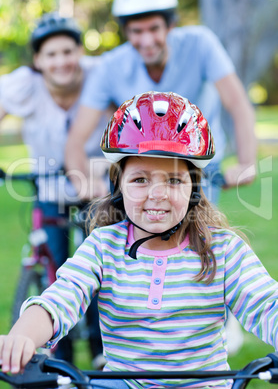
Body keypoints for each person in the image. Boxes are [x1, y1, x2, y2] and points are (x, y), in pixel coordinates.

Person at [1, 91, 277, 389]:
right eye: (140, 180)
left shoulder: (223, 250)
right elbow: (59, 299)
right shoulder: (103, 247)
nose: (156, 194)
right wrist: (23, 336)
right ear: (118, 186)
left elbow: (267, 304)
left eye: (173, 180)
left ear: (194, 188)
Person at [65, 0, 256, 205]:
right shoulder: (110, 66)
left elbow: (238, 105)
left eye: (154, 28)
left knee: (197, 234)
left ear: (170, 25)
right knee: (131, 234)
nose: (146, 40)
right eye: (137, 31)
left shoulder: (200, 44)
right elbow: (77, 137)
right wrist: (81, 180)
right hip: (140, 165)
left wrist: (246, 162)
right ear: (126, 32)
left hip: (198, 163)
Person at [0, 12, 108, 368]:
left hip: (97, 186)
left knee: (100, 264)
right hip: (48, 185)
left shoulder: (101, 75)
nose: (60, 61)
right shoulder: (24, 84)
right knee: (55, 266)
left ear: (80, 52)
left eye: (67, 51)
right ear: (37, 60)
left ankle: (100, 348)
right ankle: (56, 357)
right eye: (50, 54)